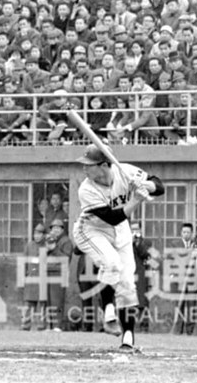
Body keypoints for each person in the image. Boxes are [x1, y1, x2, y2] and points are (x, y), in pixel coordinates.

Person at [73, 144, 165, 351]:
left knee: (127, 285)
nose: (84, 169)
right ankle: (108, 313)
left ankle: (128, 338)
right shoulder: (86, 188)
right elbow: (113, 217)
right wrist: (135, 199)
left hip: (121, 231)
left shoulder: (126, 171)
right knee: (112, 263)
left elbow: (159, 185)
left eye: (89, 165)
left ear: (105, 165)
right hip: (91, 230)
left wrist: (145, 186)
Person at [45, 218, 72, 331]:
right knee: (49, 301)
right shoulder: (50, 240)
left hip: (59, 274)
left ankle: (57, 326)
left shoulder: (66, 241)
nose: (55, 230)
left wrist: (54, 248)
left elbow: (65, 258)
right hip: (48, 272)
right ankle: (50, 325)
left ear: (62, 229)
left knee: (57, 300)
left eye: (58, 228)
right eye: (53, 228)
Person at [21, 223, 47, 331]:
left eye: (39, 234)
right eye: (35, 234)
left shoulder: (46, 246)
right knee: (28, 304)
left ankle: (41, 325)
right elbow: (24, 262)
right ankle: (26, 324)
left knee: (42, 305)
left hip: (42, 279)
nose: (37, 236)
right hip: (31, 278)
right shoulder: (29, 245)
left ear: (44, 235)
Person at [131, 222, 156, 332]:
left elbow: (145, 254)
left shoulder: (146, 242)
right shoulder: (126, 241)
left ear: (141, 229)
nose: (134, 231)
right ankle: (130, 326)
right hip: (130, 274)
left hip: (142, 274)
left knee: (142, 301)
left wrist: (137, 243)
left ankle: (144, 326)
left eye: (136, 229)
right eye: (132, 229)